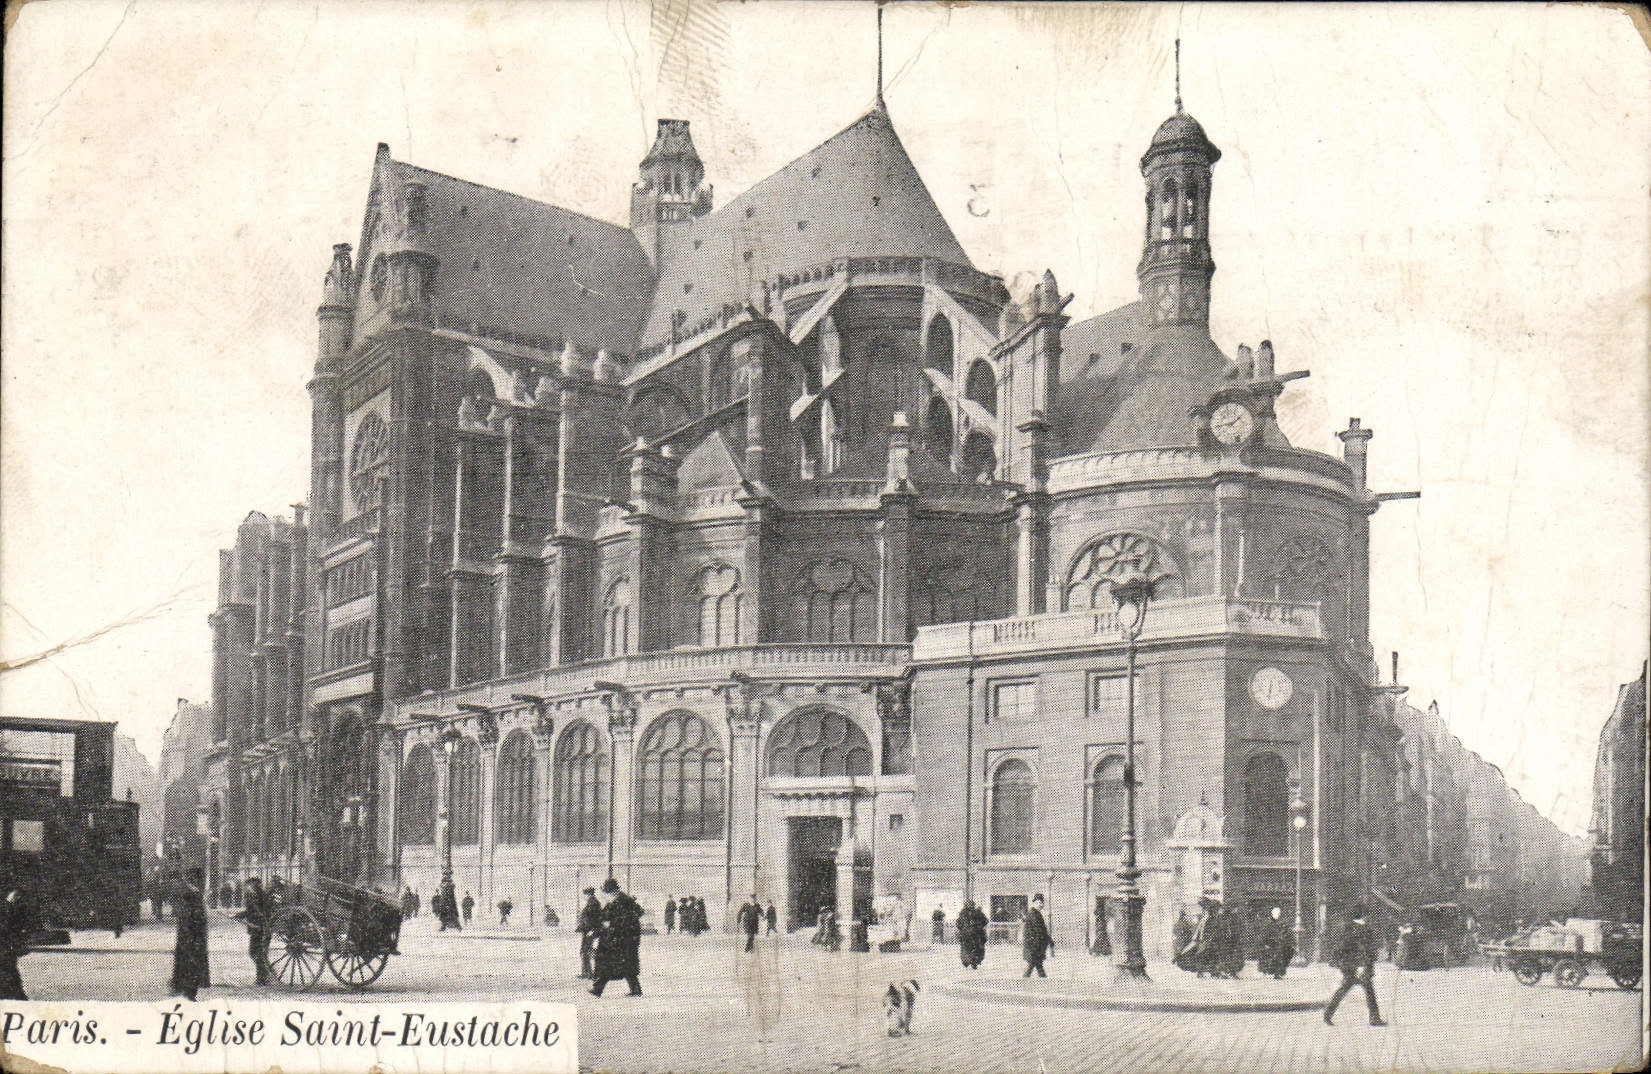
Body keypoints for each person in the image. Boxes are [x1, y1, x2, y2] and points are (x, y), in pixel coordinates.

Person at [1325, 905, 1386, 1026]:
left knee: (1345, 988)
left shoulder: (1348, 927)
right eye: (1368, 915)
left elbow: (1342, 947)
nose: (1370, 917)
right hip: (1359, 966)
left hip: (1349, 965)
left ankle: (1328, 1013)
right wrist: (1362, 966)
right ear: (1364, 915)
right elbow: (1363, 949)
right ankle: (1374, 1018)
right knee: (1368, 990)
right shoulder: (1363, 929)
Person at [588, 878, 643, 997]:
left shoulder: (623, 901)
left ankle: (598, 989)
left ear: (611, 892)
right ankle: (635, 989)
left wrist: (612, 925)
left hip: (622, 940)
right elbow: (605, 917)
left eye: (606, 892)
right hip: (619, 939)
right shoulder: (618, 901)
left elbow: (628, 919)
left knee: (610, 964)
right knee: (623, 965)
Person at [170, 868, 211, 1002]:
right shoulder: (194, 895)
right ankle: (188, 991)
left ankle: (183, 988)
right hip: (193, 936)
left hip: (187, 936)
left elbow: (189, 919)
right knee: (192, 963)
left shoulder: (188, 895)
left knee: (186, 962)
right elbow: (197, 919)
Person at [233, 877, 271, 986]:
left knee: (255, 952)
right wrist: (239, 915)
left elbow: (254, 911)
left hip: (258, 928)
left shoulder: (255, 895)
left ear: (253, 884)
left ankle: (263, 978)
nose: (247, 888)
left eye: (248, 885)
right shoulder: (260, 894)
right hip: (261, 927)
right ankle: (266, 975)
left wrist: (241, 915)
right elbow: (252, 910)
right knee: (259, 953)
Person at [2, 887, 34, 1001]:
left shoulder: (12, 909)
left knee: (10, 975)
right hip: (5, 950)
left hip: (6, 950)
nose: (18, 899)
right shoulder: (6, 909)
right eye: (16, 896)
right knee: (10, 975)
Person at [1021, 894, 1053, 978]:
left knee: (1037, 966)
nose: (1041, 904)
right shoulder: (1033, 914)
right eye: (1039, 902)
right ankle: (1023, 983)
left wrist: (1049, 941)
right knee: (1033, 966)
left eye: (1042, 902)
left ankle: (1043, 982)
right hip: (1034, 946)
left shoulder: (1036, 914)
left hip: (1036, 946)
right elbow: (1039, 931)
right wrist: (1048, 941)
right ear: (1034, 903)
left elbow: (1042, 931)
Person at [1258, 906, 1294, 979]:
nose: (1277, 915)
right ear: (1272, 914)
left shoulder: (1281, 922)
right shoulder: (1268, 923)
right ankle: (1274, 972)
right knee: (1277, 953)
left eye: (1278, 913)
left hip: (1279, 944)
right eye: (1276, 913)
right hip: (1271, 944)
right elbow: (1264, 935)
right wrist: (1266, 944)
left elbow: (1286, 932)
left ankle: (1278, 972)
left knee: (1287, 951)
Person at [576, 888, 601, 978]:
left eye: (584, 895)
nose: (583, 897)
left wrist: (592, 930)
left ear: (589, 894)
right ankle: (586, 973)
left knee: (588, 951)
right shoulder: (592, 902)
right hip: (587, 930)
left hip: (590, 931)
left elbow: (594, 918)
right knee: (585, 951)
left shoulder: (593, 903)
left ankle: (590, 973)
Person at [957, 900, 988, 970]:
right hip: (976, 933)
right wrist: (980, 926)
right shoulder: (978, 912)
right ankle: (975, 960)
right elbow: (985, 921)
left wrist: (962, 929)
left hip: (965, 933)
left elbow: (958, 923)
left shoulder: (962, 913)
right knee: (978, 946)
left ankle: (966, 960)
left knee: (965, 947)